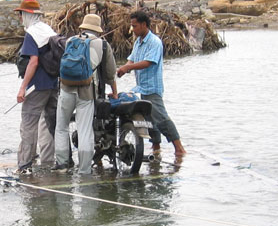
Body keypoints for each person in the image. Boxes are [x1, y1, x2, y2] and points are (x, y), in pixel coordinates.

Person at [54, 13, 118, 174]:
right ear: (98, 29)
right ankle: (84, 169)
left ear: (83, 27)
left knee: (61, 127)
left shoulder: (70, 40)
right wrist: (115, 92)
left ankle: (62, 165)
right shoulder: (103, 45)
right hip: (86, 91)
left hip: (66, 88)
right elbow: (110, 74)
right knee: (85, 130)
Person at [116, 10, 187, 157]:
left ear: (143, 25)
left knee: (161, 118)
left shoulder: (154, 42)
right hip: (141, 87)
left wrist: (128, 67)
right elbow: (132, 59)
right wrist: (124, 68)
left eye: (135, 26)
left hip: (152, 87)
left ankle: (179, 149)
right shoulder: (138, 42)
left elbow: (148, 62)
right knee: (149, 120)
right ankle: (156, 147)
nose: (133, 29)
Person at [14, 0, 58, 173]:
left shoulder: (31, 33)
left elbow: (33, 62)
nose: (20, 18)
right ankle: (50, 161)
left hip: (36, 87)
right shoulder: (49, 30)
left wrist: (22, 88)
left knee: (28, 125)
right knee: (51, 124)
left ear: (26, 14)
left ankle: (25, 165)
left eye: (21, 14)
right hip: (53, 84)